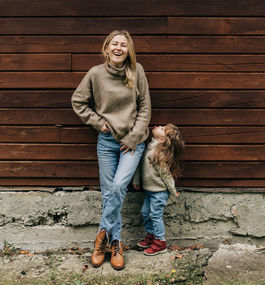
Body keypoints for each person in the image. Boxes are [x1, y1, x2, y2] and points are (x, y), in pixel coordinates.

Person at [71, 30, 151, 270]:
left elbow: (145, 107)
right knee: (109, 194)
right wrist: (98, 123)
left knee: (117, 187)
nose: (118, 48)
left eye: (123, 45)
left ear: (128, 50)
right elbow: (78, 101)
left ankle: (101, 238)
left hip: (133, 143)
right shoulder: (95, 74)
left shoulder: (137, 72)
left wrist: (134, 136)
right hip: (107, 143)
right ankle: (115, 243)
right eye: (114, 44)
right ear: (106, 48)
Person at [132, 123, 184, 255]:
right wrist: (136, 180)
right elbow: (140, 166)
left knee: (155, 215)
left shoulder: (158, 154)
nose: (159, 126)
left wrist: (172, 190)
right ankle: (152, 236)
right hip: (150, 191)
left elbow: (166, 175)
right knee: (145, 213)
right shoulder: (148, 148)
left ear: (161, 140)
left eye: (162, 129)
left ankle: (160, 242)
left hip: (159, 192)